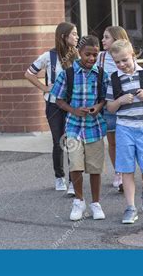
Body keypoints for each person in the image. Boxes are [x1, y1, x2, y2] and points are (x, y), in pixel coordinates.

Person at [106, 40, 143, 224]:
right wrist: (120, 100)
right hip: (124, 129)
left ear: (133, 55)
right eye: (117, 62)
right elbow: (110, 108)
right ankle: (130, 207)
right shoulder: (114, 79)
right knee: (126, 169)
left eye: (124, 60)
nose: (121, 64)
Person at [50, 35, 109, 220]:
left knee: (95, 168)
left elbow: (105, 98)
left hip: (95, 127)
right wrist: (74, 110)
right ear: (79, 53)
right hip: (74, 127)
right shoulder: (67, 74)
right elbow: (58, 99)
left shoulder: (101, 74)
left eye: (95, 55)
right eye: (87, 54)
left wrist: (97, 108)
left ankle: (96, 203)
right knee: (75, 165)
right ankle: (79, 201)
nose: (91, 58)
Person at [25, 22, 79, 195]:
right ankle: (59, 177)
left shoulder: (77, 55)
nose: (77, 37)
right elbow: (29, 73)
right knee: (58, 141)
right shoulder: (49, 56)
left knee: (71, 140)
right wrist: (44, 88)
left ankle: (73, 181)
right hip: (53, 104)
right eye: (74, 34)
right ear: (64, 36)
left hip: (72, 105)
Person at [97, 26, 130, 192]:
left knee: (125, 141)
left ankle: (126, 173)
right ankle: (118, 172)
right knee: (112, 142)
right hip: (109, 104)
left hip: (126, 103)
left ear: (116, 39)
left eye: (106, 37)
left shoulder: (127, 56)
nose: (103, 40)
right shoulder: (100, 58)